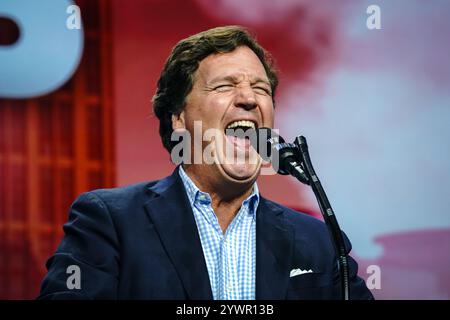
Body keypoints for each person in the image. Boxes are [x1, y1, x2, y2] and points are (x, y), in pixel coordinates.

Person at [38, 26, 373, 300]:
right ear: (179, 119)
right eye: (225, 86)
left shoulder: (318, 241)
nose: (248, 98)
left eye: (261, 88)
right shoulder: (110, 221)